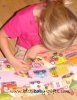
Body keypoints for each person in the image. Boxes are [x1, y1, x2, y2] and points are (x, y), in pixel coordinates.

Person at [0, 0, 77, 75]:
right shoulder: (22, 19)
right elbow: (1, 36)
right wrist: (11, 60)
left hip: (48, 46)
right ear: (40, 24)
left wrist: (40, 48)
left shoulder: (63, 16)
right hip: (26, 47)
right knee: (22, 68)